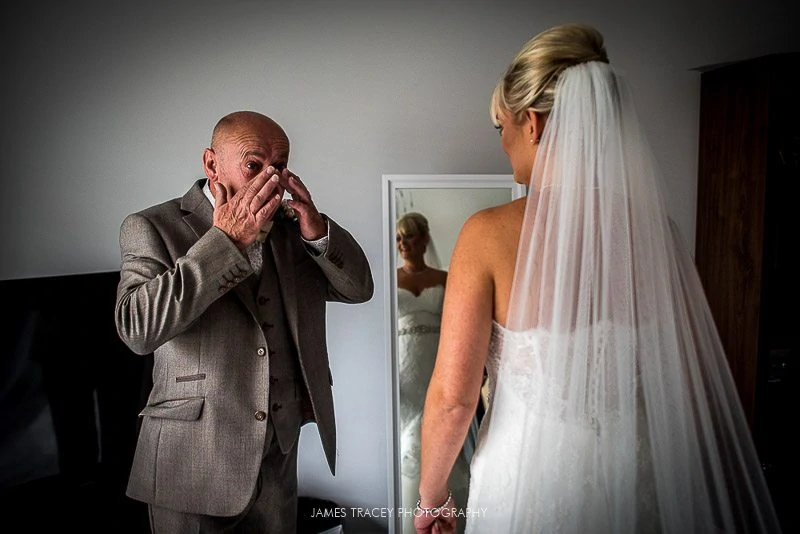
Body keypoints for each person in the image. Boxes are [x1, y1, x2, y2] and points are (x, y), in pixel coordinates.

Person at [414, 24, 782, 533]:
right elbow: (684, 385)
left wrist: (432, 498)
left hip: (529, 491)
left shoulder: (487, 235)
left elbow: (454, 401)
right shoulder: (661, 235)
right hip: (641, 484)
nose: (502, 143)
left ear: (534, 124)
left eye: (502, 126)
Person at [114, 110, 374, 533]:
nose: (271, 178)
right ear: (212, 163)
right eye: (255, 165)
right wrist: (226, 242)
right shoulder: (151, 226)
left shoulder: (294, 232)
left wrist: (317, 230)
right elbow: (137, 329)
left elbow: (358, 288)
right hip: (191, 467)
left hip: (278, 463)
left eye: (280, 166)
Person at [395, 213, 471, 534]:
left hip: (437, 367)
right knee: (408, 446)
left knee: (441, 433)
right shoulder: (391, 280)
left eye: (409, 236)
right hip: (402, 374)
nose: (403, 244)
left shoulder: (445, 279)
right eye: (399, 238)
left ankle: (449, 512)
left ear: (425, 239)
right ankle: (415, 514)